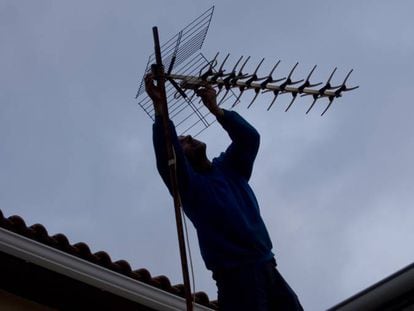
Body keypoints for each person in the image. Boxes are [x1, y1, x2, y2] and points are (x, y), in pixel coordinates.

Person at [146, 74, 303, 311]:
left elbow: (250, 139)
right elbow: (168, 159)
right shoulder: (191, 187)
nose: (188, 137)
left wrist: (216, 110)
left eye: (187, 136)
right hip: (237, 278)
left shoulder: (230, 168)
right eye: (183, 142)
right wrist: (160, 109)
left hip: (267, 267)